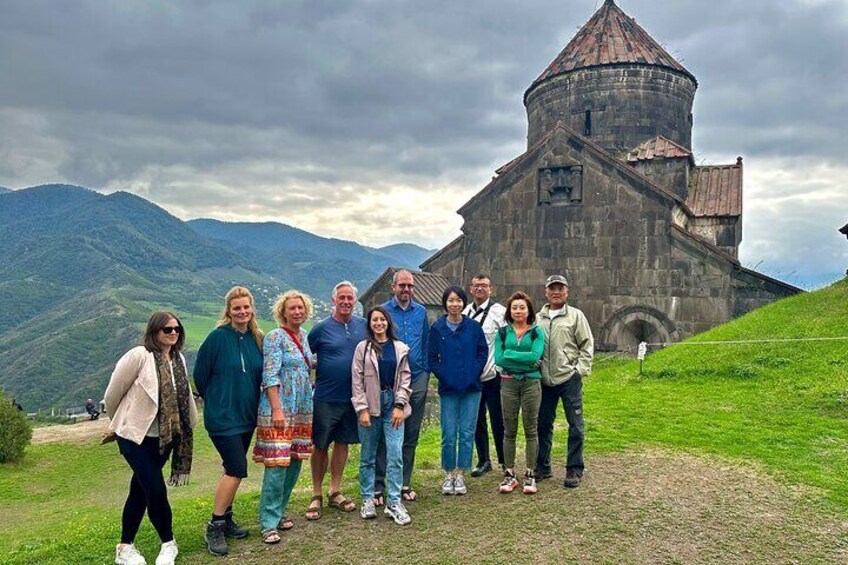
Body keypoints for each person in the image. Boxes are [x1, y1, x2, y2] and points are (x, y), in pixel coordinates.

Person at [104, 311, 198, 565]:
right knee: (155, 488)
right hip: (134, 437)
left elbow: (185, 394)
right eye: (167, 329)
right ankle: (169, 543)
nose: (173, 333)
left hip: (164, 437)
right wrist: (122, 423)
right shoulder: (139, 356)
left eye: (176, 329)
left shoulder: (178, 359)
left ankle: (124, 547)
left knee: (140, 489)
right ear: (154, 331)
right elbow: (113, 394)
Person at [194, 286, 264, 556]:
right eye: (237, 308)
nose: (242, 312)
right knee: (236, 468)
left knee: (230, 469)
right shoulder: (216, 338)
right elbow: (200, 377)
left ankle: (227, 518)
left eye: (246, 307)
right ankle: (214, 525)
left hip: (247, 417)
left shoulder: (256, 338)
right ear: (229, 311)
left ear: (251, 309)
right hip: (223, 417)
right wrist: (218, 398)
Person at [253, 290, 315, 544]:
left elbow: (307, 364)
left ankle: (279, 512)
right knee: (277, 464)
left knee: (295, 461)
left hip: (301, 406)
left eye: (300, 308)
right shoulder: (274, 337)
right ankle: (268, 522)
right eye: (292, 308)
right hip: (279, 408)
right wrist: (277, 409)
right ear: (283, 311)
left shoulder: (305, 336)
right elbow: (270, 374)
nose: (297, 312)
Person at [305, 281, 366, 519]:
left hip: (353, 398)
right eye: (342, 298)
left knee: (343, 443)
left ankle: (335, 491)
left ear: (355, 301)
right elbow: (304, 357)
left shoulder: (362, 326)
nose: (346, 302)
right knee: (320, 445)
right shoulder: (321, 329)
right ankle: (316, 494)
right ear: (333, 300)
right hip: (325, 397)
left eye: (350, 298)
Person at [352, 306, 413, 525]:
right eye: (374, 320)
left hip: (392, 405)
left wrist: (400, 404)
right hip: (370, 404)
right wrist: (362, 409)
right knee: (368, 455)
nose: (378, 323)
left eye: (382, 319)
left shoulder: (399, 348)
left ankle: (394, 502)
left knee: (395, 453)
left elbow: (406, 379)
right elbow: (357, 380)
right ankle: (368, 498)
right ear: (369, 324)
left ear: (388, 322)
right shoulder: (363, 348)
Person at [376, 269, 430, 504]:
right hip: (390, 379)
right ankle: (379, 484)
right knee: (384, 432)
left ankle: (404, 482)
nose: (406, 290)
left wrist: (427, 371)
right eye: (402, 286)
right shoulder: (383, 312)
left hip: (417, 376)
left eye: (410, 286)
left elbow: (426, 342)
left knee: (411, 432)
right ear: (393, 286)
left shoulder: (421, 311)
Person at [535, 275, 594, 488]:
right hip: (544, 379)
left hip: (568, 377)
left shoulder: (575, 316)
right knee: (542, 424)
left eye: (560, 288)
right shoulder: (537, 318)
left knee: (575, 426)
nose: (556, 292)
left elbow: (586, 344)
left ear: (567, 292)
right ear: (546, 292)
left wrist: (580, 370)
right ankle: (542, 466)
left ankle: (574, 469)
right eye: (552, 288)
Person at [428, 286, 488, 496]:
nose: (455, 304)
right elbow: (432, 358)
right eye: (451, 300)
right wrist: (444, 375)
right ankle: (448, 474)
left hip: (472, 387)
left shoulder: (473, 327)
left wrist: (474, 371)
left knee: (466, 432)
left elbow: (483, 351)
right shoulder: (437, 328)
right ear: (445, 303)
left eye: (459, 300)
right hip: (448, 388)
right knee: (449, 432)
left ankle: (461, 473)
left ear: (464, 303)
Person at [494, 292, 545, 495]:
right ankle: (509, 473)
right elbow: (499, 359)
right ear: (509, 311)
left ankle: (530, 474)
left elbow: (536, 355)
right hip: (508, 384)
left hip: (531, 383)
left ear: (529, 310)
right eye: (514, 307)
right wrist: (522, 359)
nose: (518, 311)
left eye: (522, 307)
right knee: (509, 429)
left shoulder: (536, 332)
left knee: (531, 428)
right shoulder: (503, 333)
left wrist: (510, 354)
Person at [461, 274, 507, 477]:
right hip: (472, 377)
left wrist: (502, 366)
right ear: (471, 289)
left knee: (499, 420)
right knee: (476, 420)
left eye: (484, 286)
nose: (480, 289)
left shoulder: (500, 312)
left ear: (491, 289)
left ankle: (506, 462)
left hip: (493, 375)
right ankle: (484, 460)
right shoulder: (465, 312)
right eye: (476, 286)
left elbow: (508, 339)